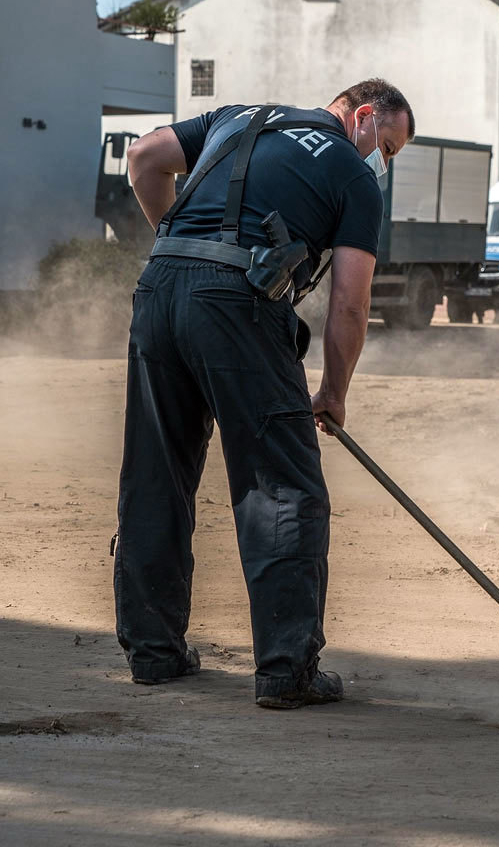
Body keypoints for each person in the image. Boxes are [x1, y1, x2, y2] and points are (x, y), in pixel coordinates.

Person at [114, 78, 414, 709]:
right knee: (281, 485)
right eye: (386, 145)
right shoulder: (351, 175)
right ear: (363, 117)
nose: (380, 163)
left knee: (155, 475)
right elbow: (351, 302)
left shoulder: (238, 117)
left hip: (159, 286)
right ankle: (286, 671)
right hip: (237, 305)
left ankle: (153, 653)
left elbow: (142, 158)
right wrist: (334, 391)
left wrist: (176, 239)